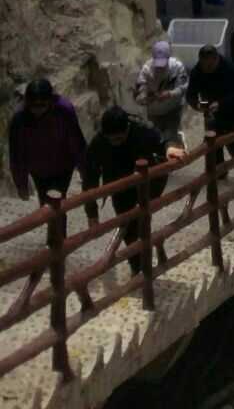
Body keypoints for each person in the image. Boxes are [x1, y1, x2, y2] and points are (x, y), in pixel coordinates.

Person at [83, 107, 180, 274]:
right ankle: (137, 268)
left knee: (142, 223)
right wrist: (92, 213)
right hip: (119, 186)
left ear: (127, 129)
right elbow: (90, 177)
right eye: (111, 139)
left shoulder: (142, 131)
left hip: (148, 184)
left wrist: (170, 148)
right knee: (127, 228)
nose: (115, 143)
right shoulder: (100, 142)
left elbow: (164, 138)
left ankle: (145, 269)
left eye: (119, 139)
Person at [8, 78, 86, 225]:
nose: (38, 110)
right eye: (34, 105)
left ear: (50, 101)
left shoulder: (64, 110)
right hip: (38, 169)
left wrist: (83, 168)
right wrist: (21, 183)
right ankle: (55, 241)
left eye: (42, 105)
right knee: (46, 206)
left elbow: (76, 141)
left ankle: (58, 242)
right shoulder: (19, 118)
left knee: (55, 202)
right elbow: (16, 153)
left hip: (63, 166)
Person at [186, 45, 234, 168]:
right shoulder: (197, 71)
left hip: (233, 110)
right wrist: (197, 105)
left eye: (210, 66)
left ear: (216, 59)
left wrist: (220, 104)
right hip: (210, 111)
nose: (207, 69)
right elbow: (190, 94)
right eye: (204, 65)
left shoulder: (230, 69)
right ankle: (219, 171)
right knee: (213, 142)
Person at [133, 39, 188, 142]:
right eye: (157, 64)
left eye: (163, 64)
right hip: (154, 113)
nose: (160, 68)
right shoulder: (146, 70)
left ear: (168, 57)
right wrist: (147, 98)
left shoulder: (177, 67)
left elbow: (183, 87)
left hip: (173, 109)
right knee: (156, 139)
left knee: (170, 138)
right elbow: (139, 94)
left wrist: (170, 94)